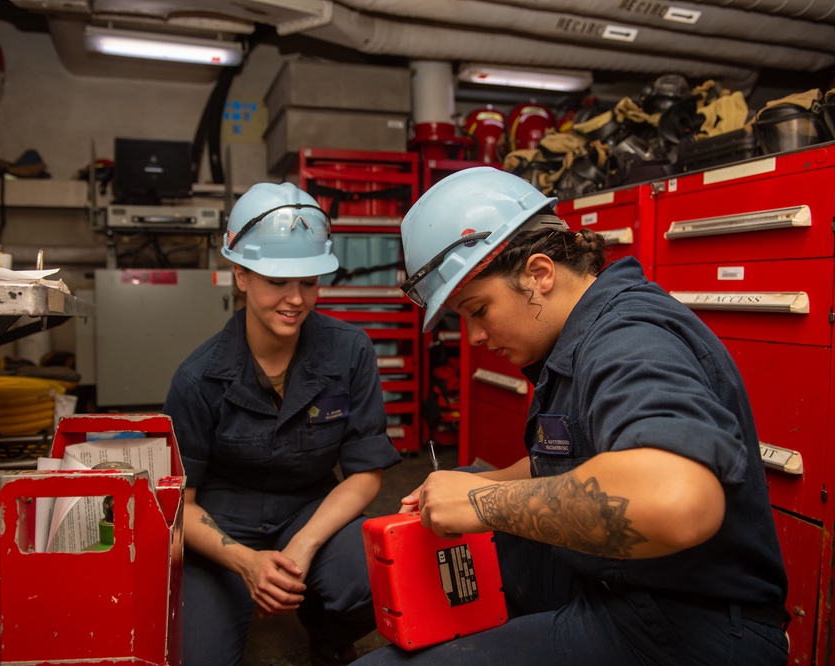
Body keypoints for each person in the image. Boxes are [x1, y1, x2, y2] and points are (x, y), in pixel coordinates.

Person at [355, 167, 789, 665]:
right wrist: (479, 484)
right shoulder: (577, 332)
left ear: (539, 274)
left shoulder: (628, 339)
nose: (473, 336)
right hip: (614, 584)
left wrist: (485, 502)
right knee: (457, 490)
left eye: (478, 309)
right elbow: (569, 458)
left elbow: (676, 499)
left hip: (688, 630)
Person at [162, 182, 402, 666]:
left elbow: (364, 471)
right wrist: (245, 562)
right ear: (241, 276)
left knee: (374, 577)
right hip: (222, 519)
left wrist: (303, 545)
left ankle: (329, 633)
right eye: (277, 281)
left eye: (310, 281)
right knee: (197, 656)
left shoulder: (350, 351)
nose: (296, 299)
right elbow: (179, 506)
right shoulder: (196, 377)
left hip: (310, 507)